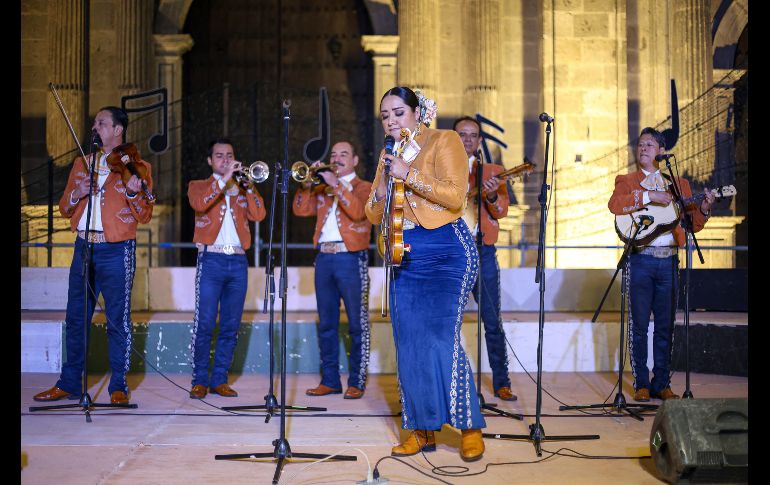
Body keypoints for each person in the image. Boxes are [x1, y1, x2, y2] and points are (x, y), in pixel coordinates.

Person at [365, 87, 486, 462]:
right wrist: (383, 187)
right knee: (409, 345)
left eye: (398, 112)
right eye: (385, 115)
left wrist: (409, 174)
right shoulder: (388, 154)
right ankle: (421, 430)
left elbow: (454, 197)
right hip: (405, 254)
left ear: (417, 113)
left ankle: (469, 427)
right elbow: (372, 212)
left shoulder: (443, 140)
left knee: (439, 339)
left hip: (447, 251)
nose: (391, 120)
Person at [33, 106, 154, 405]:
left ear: (117, 130)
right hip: (84, 247)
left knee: (117, 320)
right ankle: (69, 383)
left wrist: (132, 192)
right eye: (95, 123)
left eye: (101, 123)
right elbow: (65, 208)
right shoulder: (82, 163)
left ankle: (118, 385)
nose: (94, 127)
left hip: (117, 249)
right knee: (76, 317)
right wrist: (78, 192)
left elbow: (144, 215)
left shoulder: (138, 167)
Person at [608, 127, 714, 402]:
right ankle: (641, 383)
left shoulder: (678, 184)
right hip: (640, 260)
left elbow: (692, 225)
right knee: (639, 325)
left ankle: (662, 383)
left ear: (662, 151)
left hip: (668, 262)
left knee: (665, 325)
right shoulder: (627, 180)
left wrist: (704, 208)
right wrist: (648, 197)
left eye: (649, 144)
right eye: (640, 144)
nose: (643, 148)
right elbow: (615, 205)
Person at [187, 138, 266, 399]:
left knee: (231, 325)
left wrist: (249, 186)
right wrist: (223, 181)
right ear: (210, 161)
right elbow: (200, 204)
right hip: (211, 259)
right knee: (205, 323)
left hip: (238, 261)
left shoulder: (242, 188)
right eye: (219, 156)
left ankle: (220, 379)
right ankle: (199, 380)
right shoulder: (198, 186)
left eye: (229, 155)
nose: (225, 160)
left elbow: (259, 215)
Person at [293, 141, 373, 399]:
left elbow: (359, 212)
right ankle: (330, 380)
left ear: (355, 160)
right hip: (324, 259)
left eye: (344, 154)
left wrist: (336, 184)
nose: (337, 158)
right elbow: (300, 210)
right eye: (334, 154)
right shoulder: (322, 188)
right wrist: (308, 184)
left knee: (357, 324)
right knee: (327, 323)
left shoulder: (365, 187)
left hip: (351, 258)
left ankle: (356, 382)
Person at [454, 116, 516, 402]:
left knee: (492, 319)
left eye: (473, 135)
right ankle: (451, 379)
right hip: (453, 251)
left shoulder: (492, 171)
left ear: (479, 141)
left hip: (482, 250)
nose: (467, 139)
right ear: (452, 138)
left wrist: (490, 196)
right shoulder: (442, 168)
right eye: (462, 134)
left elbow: (501, 211)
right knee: (449, 320)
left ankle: (502, 381)